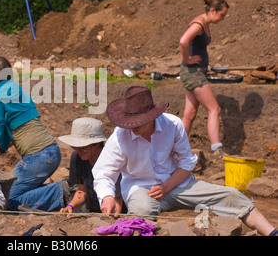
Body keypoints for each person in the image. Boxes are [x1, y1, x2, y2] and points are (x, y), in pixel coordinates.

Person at [92, 86, 277, 236]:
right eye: (129, 123)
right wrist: (107, 197)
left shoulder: (173, 125)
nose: (131, 127)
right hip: (141, 188)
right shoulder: (120, 135)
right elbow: (103, 172)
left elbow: (187, 164)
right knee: (141, 212)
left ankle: (272, 232)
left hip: (177, 184)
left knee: (231, 195)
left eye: (137, 123)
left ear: (151, 117)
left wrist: (166, 187)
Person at [0, 56, 61, 211]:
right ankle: (56, 192)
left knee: (6, 199)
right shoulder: (17, 91)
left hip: (37, 157)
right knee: (22, 192)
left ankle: (61, 191)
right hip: (52, 151)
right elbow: (18, 128)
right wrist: (1, 147)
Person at [179, 0, 229, 155]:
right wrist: (188, 59)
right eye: (222, 15)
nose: (223, 18)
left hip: (195, 72)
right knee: (214, 108)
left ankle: (177, 148)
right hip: (193, 73)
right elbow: (183, 41)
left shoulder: (205, 23)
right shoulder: (199, 24)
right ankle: (216, 148)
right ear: (213, 11)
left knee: (189, 114)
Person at [58, 117, 124, 217]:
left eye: (82, 148)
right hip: (93, 212)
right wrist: (71, 206)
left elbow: (118, 199)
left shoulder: (113, 160)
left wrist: (109, 220)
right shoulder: (77, 158)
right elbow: (82, 191)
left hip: (115, 212)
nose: (76, 151)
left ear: (97, 144)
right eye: (74, 147)